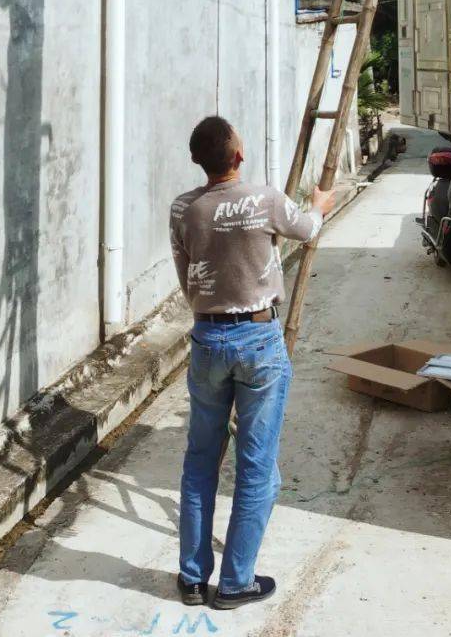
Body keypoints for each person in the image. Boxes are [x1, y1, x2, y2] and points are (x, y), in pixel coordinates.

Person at [170, 115, 337, 611]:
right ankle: (237, 581)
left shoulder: (183, 208)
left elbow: (187, 277)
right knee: (257, 466)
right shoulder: (265, 199)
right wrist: (319, 204)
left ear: (198, 160)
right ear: (238, 157)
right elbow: (307, 230)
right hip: (259, 339)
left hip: (207, 337)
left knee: (200, 461)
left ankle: (193, 579)